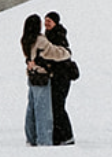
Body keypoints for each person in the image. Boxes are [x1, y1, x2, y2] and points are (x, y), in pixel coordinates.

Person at [20, 13, 65, 146]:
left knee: (31, 109)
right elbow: (54, 53)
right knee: (43, 111)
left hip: (31, 76)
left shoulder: (25, 40)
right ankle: (44, 140)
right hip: (41, 77)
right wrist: (66, 52)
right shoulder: (41, 40)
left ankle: (31, 137)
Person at [44, 11, 76, 145]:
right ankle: (59, 135)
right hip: (55, 77)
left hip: (62, 77)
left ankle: (66, 136)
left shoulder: (58, 37)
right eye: (45, 20)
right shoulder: (48, 36)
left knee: (58, 106)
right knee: (55, 106)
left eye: (49, 21)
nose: (46, 23)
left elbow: (60, 55)